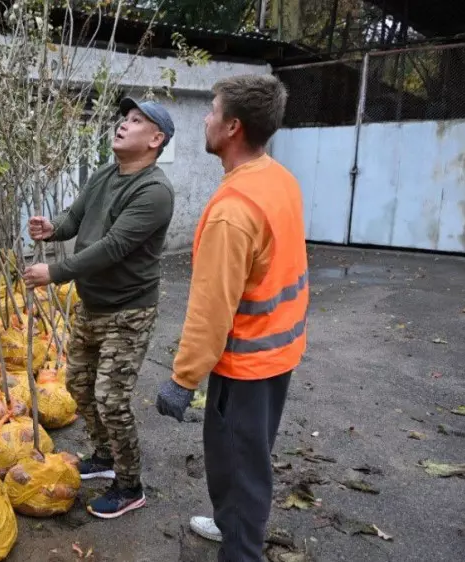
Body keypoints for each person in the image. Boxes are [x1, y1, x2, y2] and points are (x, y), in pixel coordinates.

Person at [155, 74, 308, 561]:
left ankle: (241, 548)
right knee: (249, 460)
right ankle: (232, 525)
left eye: (212, 110)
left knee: (238, 469)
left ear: (232, 127)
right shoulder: (276, 177)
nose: (205, 117)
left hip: (246, 364)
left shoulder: (233, 210)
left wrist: (183, 380)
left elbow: (211, 308)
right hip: (279, 351)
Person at [22, 98, 175, 519]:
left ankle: (129, 485)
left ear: (156, 139)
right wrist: (52, 227)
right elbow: (74, 220)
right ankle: (105, 454)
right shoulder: (105, 174)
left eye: (136, 121)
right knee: (78, 385)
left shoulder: (154, 191)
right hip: (92, 304)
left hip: (129, 310)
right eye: (124, 118)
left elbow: (113, 248)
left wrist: (55, 272)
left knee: (111, 398)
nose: (123, 125)